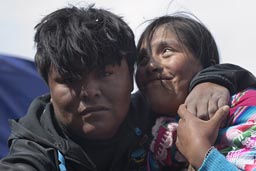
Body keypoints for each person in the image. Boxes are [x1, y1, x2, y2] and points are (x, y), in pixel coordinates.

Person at [0, 5, 255, 171]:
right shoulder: (32, 154)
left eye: (106, 73)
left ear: (130, 74)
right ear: (48, 84)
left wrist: (213, 80)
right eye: (69, 78)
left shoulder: (157, 111)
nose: (89, 90)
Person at [135, 14, 256, 170]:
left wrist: (201, 154)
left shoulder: (244, 108)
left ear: (207, 65)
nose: (151, 65)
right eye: (143, 59)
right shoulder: (148, 137)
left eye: (166, 51)